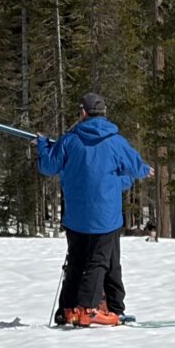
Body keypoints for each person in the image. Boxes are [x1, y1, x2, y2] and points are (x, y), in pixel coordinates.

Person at [37, 93, 150, 326]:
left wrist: (42, 146)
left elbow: (48, 166)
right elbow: (136, 167)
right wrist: (142, 170)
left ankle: (68, 309)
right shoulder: (115, 141)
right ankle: (87, 308)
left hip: (76, 216)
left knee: (76, 261)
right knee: (99, 262)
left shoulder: (69, 140)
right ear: (104, 112)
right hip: (106, 217)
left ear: (83, 112)